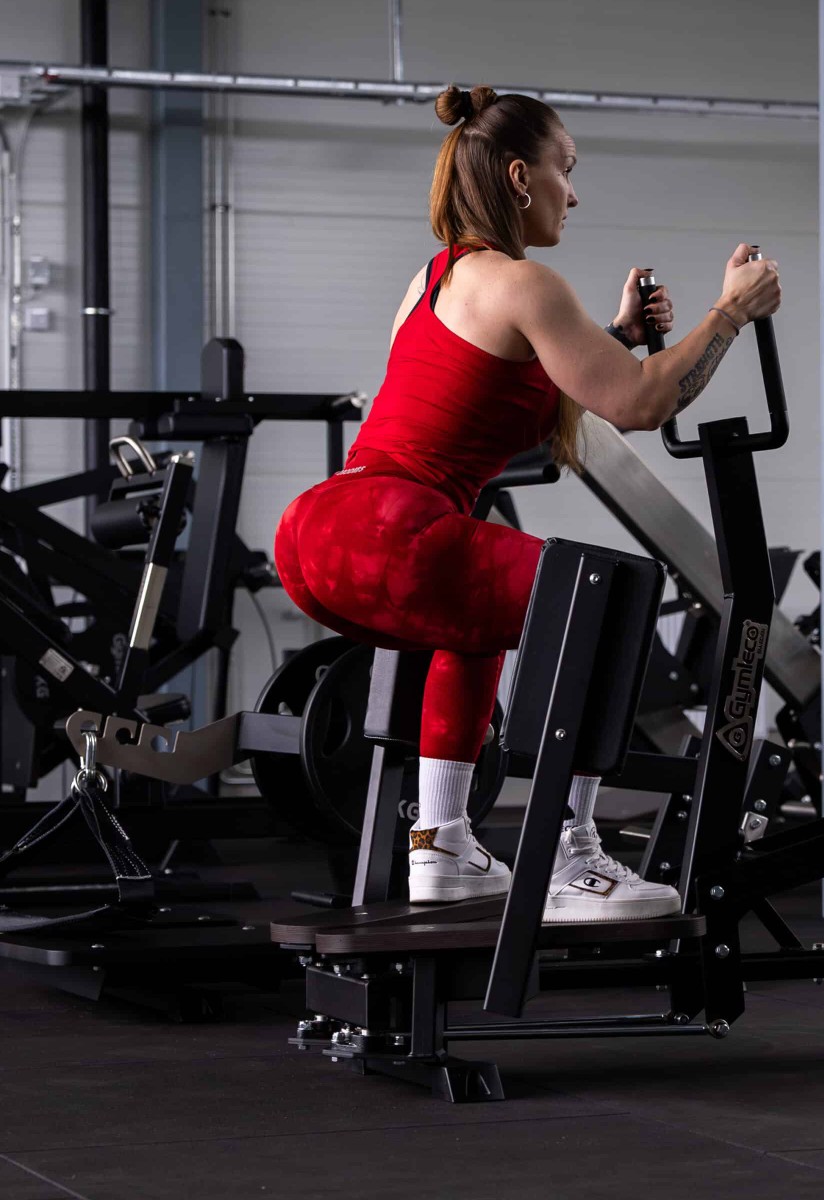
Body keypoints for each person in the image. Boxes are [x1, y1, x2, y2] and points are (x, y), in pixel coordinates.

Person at [274, 84, 782, 923]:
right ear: (520, 177)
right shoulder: (524, 282)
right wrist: (731, 310)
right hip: (392, 529)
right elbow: (640, 403)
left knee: (476, 624)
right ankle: (573, 857)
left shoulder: (433, 280)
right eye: (565, 170)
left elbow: (495, 399)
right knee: (609, 591)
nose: (572, 194)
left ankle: (441, 843)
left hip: (319, 531)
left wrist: (617, 339)